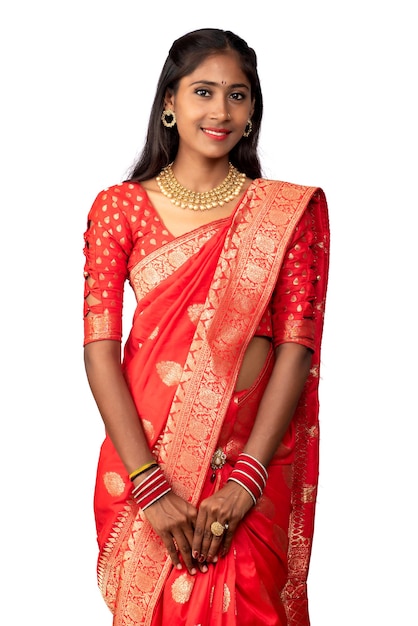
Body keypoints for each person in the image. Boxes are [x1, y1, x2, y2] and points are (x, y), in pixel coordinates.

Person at [83, 27, 330, 626]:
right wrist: (150, 486)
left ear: (253, 111)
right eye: (203, 91)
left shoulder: (285, 213)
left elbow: (296, 349)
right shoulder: (119, 207)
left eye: (239, 95)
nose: (221, 111)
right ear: (169, 102)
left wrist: (246, 480)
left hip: (252, 469)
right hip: (150, 463)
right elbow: (99, 350)